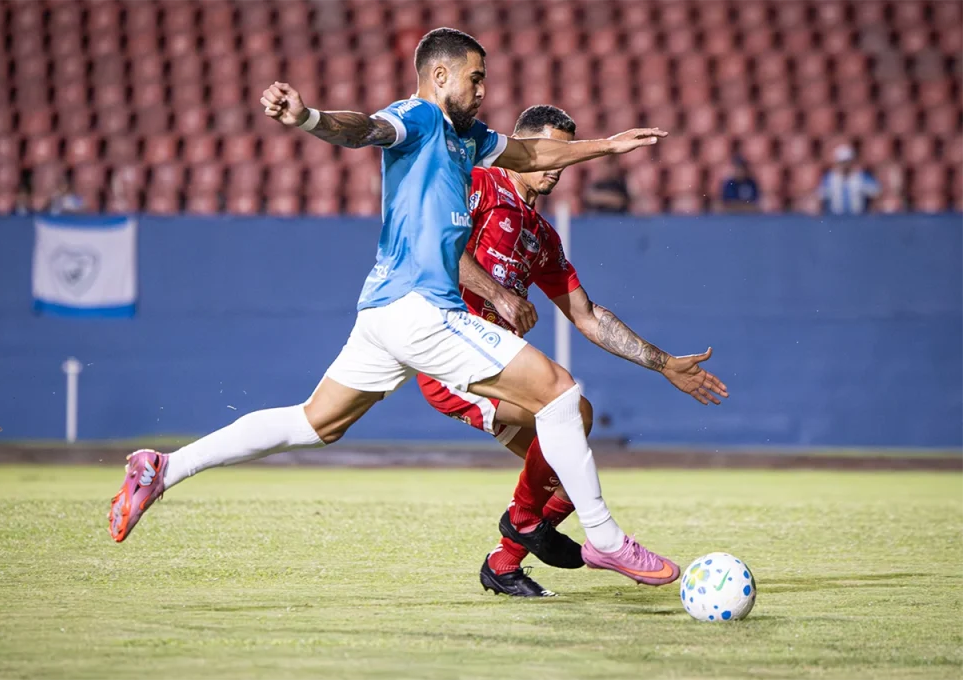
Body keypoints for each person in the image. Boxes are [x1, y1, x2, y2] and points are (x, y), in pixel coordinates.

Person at [109, 29, 718, 588]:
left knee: (314, 423)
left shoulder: (470, 140)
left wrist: (608, 147)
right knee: (561, 395)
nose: (484, 90)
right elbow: (364, 129)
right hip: (422, 310)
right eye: (476, 78)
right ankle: (605, 540)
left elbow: (532, 156)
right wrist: (310, 118)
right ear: (440, 76)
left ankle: (164, 467)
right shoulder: (420, 116)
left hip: (383, 314)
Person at [416, 105, 728, 596]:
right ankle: (525, 528)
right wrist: (499, 295)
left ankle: (504, 562)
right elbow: (435, 247)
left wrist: (665, 364)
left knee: (566, 471)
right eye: (551, 152)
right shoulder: (478, 185)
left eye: (566, 155)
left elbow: (587, 315)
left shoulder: (541, 236)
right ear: (523, 146)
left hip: (494, 367)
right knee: (572, 410)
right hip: (450, 358)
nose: (559, 165)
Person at [817, 144, 880, 215]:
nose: (845, 165)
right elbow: (821, 196)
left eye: (847, 162)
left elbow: (875, 192)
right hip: (835, 218)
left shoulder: (861, 177)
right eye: (842, 162)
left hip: (858, 217)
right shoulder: (830, 178)